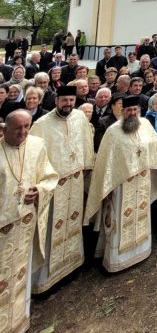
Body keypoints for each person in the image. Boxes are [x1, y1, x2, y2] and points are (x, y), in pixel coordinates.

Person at [84, 96, 157, 271]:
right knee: (119, 219)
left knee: (141, 214)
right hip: (121, 185)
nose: (132, 114)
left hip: (142, 180)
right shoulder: (113, 132)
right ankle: (117, 260)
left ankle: (141, 250)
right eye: (129, 110)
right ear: (122, 111)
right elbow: (105, 162)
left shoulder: (145, 124)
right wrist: (105, 186)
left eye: (135, 110)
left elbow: (155, 146)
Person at [0, 110, 58, 333]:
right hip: (3, 228)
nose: (23, 132)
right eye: (18, 128)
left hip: (24, 225)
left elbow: (49, 176)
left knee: (19, 273)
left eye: (27, 127)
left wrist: (40, 190)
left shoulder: (37, 145)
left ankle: (18, 322)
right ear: (4, 129)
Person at [29, 87, 94, 293]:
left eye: (71, 99)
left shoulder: (80, 118)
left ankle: (72, 266)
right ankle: (46, 279)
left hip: (75, 181)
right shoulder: (41, 125)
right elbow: (33, 158)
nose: (68, 103)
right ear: (56, 100)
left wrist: (87, 166)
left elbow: (86, 142)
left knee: (73, 221)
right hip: (54, 187)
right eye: (64, 99)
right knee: (52, 229)